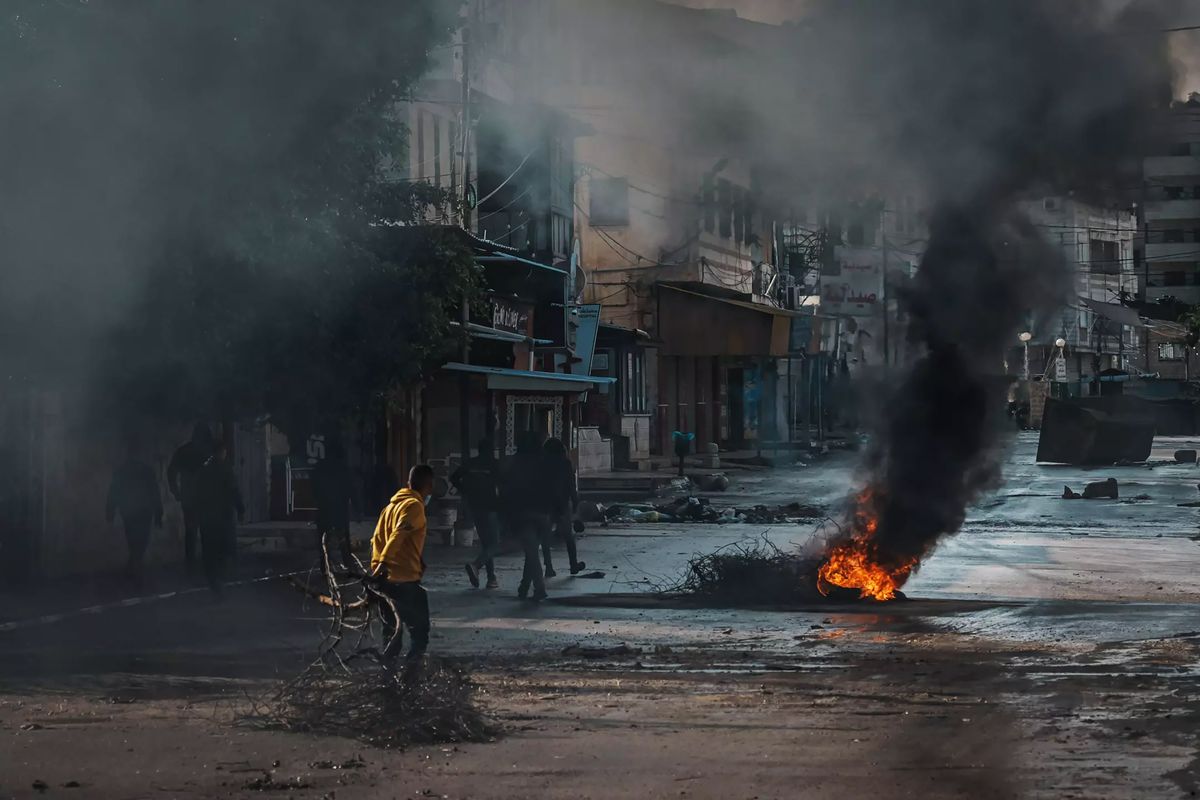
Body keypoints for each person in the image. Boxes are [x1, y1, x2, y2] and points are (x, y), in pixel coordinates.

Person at [370, 464, 435, 663]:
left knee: (390, 635)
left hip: (384, 581)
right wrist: (384, 562)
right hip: (403, 580)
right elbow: (398, 534)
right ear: (429, 486)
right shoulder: (414, 506)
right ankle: (410, 677)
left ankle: (388, 680)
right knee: (419, 634)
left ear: (408, 483)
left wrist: (376, 567)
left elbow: (376, 539)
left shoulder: (390, 507)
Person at [499, 432, 552, 601]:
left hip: (521, 511)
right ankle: (524, 586)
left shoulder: (512, 462)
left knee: (531, 551)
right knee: (532, 550)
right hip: (543, 512)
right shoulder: (545, 462)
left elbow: (504, 486)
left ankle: (539, 587)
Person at [106, 439, 163, 582]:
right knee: (140, 542)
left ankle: (133, 569)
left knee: (134, 542)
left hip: (130, 511)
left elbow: (114, 492)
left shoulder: (123, 470)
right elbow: (154, 492)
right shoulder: (146, 471)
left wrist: (110, 512)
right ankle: (135, 571)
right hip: (143, 511)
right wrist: (158, 514)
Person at [195, 439, 244, 595]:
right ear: (222, 452)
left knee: (210, 553)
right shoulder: (225, 470)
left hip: (208, 518)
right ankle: (220, 582)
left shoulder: (204, 471)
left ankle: (215, 583)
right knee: (224, 550)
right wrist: (241, 509)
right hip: (223, 518)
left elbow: (197, 495)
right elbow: (234, 491)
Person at [452, 437, 501, 590]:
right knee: (494, 543)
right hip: (490, 506)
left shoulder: (470, 463)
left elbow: (453, 477)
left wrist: (465, 490)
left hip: (474, 506)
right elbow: (503, 484)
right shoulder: (494, 464)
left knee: (486, 542)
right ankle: (476, 565)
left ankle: (491, 578)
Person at [167, 423, 214, 572]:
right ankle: (204, 563)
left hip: (192, 498)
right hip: (203, 498)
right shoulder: (208, 451)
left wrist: (176, 492)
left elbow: (171, 472)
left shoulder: (184, 451)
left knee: (192, 532)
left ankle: (192, 564)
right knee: (205, 531)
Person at [542, 437, 586, 577]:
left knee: (545, 537)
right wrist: (575, 505)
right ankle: (573, 564)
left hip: (546, 504)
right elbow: (571, 486)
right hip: (562, 504)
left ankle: (548, 567)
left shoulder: (543, 463)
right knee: (568, 537)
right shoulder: (566, 463)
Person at [312, 441, 355, 564]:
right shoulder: (342, 468)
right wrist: (356, 507)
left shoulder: (319, 467)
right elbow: (351, 488)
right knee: (343, 540)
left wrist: (319, 500)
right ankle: (348, 565)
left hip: (324, 508)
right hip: (340, 509)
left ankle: (325, 566)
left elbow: (314, 488)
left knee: (324, 541)